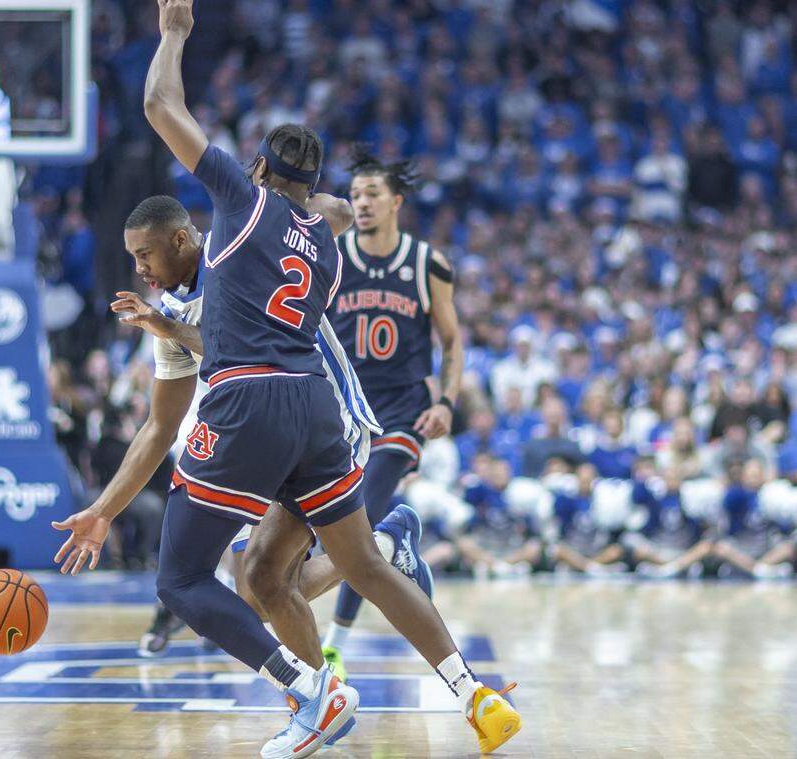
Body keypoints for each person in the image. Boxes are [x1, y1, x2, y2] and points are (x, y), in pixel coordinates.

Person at [56, 4, 520, 756]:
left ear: (260, 171)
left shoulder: (240, 203)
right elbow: (330, 208)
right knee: (270, 573)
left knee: (181, 580)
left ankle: (313, 690)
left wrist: (174, 32)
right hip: (315, 410)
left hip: (253, 401)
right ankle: (472, 695)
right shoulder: (328, 241)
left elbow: (158, 104)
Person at [80, 196, 418, 661]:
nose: (139, 269)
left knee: (267, 579)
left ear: (180, 238)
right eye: (133, 257)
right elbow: (160, 425)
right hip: (257, 437)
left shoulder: (242, 247)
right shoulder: (171, 314)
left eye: (144, 255)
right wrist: (102, 511)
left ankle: (335, 677)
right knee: (259, 592)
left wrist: (316, 212)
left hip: (325, 420)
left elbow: (242, 345)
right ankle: (322, 693)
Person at [320, 146, 461, 681]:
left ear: (397, 200)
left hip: (403, 411)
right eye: (354, 194)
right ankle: (398, 534)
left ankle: (333, 644)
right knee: (352, 534)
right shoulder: (332, 256)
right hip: (344, 413)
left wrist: (447, 401)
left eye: (372, 194)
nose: (361, 203)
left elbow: (452, 343)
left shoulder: (428, 263)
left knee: (360, 518)